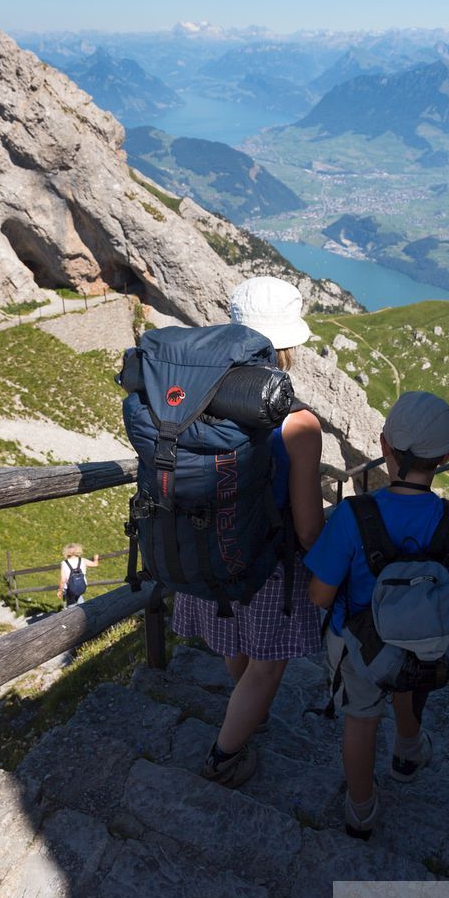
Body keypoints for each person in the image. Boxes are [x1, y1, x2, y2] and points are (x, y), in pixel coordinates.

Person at [305, 391, 449, 839]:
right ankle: (408, 750)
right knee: (411, 675)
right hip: (429, 641)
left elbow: (319, 597)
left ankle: (361, 811)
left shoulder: (353, 515)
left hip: (360, 644)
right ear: (447, 454)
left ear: (384, 444)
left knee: (361, 719)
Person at [172, 275, 325, 788]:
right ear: (285, 344)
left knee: (234, 643)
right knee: (268, 667)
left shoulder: (194, 396)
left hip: (204, 549)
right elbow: (306, 525)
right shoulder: (297, 423)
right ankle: (224, 756)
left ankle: (247, 713)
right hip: (266, 565)